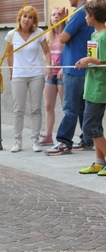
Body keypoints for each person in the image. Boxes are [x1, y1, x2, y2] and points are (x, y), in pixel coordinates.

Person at [45, 0, 94, 156]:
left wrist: (63, 21)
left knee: (70, 107)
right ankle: (87, 139)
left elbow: (62, 38)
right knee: (81, 108)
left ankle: (64, 141)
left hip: (74, 68)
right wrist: (65, 20)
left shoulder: (80, 12)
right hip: (81, 67)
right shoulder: (84, 12)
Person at [5, 5, 52, 153]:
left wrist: (49, 66)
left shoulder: (39, 33)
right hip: (19, 75)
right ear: (20, 17)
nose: (27, 19)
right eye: (25, 16)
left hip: (36, 74)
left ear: (34, 21)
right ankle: (17, 141)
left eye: (30, 17)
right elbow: (9, 54)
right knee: (18, 109)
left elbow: (47, 51)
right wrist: (12, 72)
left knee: (36, 108)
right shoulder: (12, 34)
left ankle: (35, 140)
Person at [76, 0, 106, 175]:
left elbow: (103, 61)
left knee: (90, 127)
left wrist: (89, 60)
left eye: (86, 15)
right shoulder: (94, 35)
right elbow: (95, 59)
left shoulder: (104, 36)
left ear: (93, 16)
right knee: (95, 127)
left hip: (99, 88)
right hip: (92, 85)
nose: (85, 18)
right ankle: (99, 162)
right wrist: (86, 61)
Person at [40, 7, 66, 146]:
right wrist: (48, 64)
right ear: (49, 19)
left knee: (65, 106)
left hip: (63, 74)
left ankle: (64, 137)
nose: (55, 17)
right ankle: (48, 135)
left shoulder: (66, 34)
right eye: (53, 14)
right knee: (48, 105)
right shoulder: (48, 36)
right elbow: (45, 54)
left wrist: (62, 68)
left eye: (57, 14)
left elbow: (69, 53)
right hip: (50, 74)